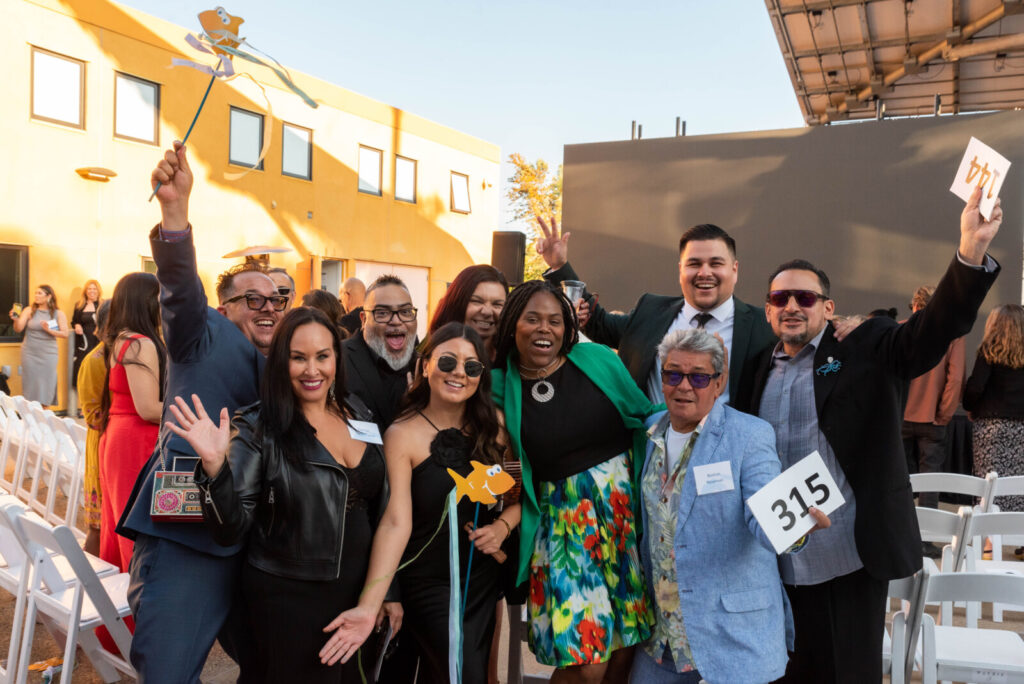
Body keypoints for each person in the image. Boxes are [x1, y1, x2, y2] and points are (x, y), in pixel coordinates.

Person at [737, 185, 1001, 683]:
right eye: (780, 297)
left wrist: (970, 252)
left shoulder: (865, 344)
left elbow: (930, 333)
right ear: (768, 309)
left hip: (847, 556)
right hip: (774, 559)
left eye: (806, 296)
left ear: (827, 306)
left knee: (847, 674)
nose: (792, 305)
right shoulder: (755, 369)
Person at [116, 141, 286, 682]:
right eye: (252, 298)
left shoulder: (287, 362)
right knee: (168, 670)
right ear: (224, 306)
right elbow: (179, 289)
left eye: (277, 299)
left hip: (255, 539)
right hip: (188, 532)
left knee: (269, 664)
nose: (268, 307)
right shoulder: (200, 333)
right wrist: (175, 212)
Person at [169, 307, 405, 682]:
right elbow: (230, 529)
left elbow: (382, 512)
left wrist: (385, 589)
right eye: (298, 358)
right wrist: (214, 467)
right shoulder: (256, 428)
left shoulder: (357, 411)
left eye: (322, 356)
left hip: (359, 596)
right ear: (281, 362)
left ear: (336, 358)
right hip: (289, 606)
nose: (312, 370)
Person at [633, 328, 829, 683]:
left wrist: (795, 532)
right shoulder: (650, 433)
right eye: (673, 374)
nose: (684, 386)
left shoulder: (749, 435)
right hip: (662, 638)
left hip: (730, 635)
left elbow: (764, 513)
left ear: (719, 383)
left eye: (699, 377)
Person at [491, 279, 653, 684]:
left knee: (624, 647)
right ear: (513, 325)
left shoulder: (598, 359)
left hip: (622, 521)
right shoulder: (496, 386)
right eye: (532, 319)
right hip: (563, 530)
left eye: (555, 321)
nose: (545, 329)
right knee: (585, 659)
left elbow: (648, 417)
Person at [385, 321, 520, 683]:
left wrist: (502, 527)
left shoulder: (497, 426)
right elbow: (393, 521)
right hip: (426, 584)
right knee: (458, 671)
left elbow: (520, 496)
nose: (460, 372)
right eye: (448, 362)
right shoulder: (401, 434)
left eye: (472, 366)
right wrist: (388, 590)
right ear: (425, 364)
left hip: (480, 582)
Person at [535, 218, 775, 406]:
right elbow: (599, 323)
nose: (704, 273)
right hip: (651, 456)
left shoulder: (764, 328)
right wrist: (559, 267)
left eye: (716, 263)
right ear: (680, 270)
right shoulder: (650, 310)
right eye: (694, 264)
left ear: (734, 270)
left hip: (726, 460)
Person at [98, 273, 166, 572]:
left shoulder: (123, 339)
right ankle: (139, 614)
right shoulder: (140, 343)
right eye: (160, 297)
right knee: (136, 533)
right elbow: (149, 408)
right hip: (135, 440)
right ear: (146, 301)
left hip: (120, 436)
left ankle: (122, 615)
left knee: (121, 525)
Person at [902, 285, 966, 514]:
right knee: (931, 480)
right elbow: (956, 378)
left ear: (916, 306)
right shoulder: (953, 336)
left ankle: (902, 536)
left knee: (900, 479)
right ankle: (927, 537)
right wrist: (945, 413)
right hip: (932, 419)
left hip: (900, 417)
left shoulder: (900, 330)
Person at [965, 305, 1024, 512]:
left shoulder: (988, 351)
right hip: (1022, 429)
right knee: (1019, 485)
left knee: (989, 484)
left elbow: (976, 387)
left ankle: (989, 540)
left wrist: (970, 407)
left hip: (991, 428)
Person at [342, 275, 417, 431]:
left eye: (405, 311)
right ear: (363, 319)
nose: (396, 321)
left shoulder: (425, 368)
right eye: (382, 313)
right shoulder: (338, 359)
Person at [77, 299, 111, 556]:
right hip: (101, 442)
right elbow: (92, 416)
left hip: (112, 441)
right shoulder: (95, 360)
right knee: (97, 526)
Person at [430, 265, 508, 362]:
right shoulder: (428, 352)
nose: (487, 312)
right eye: (477, 301)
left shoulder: (513, 361)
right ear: (456, 302)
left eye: (497, 304)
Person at [8, 285, 69, 405]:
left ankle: (43, 413)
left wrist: (49, 330)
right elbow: (19, 329)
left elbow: (65, 333)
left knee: (47, 384)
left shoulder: (58, 313)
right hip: (29, 353)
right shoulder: (28, 310)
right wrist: (15, 319)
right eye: (36, 293)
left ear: (49, 296)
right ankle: (30, 413)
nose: (36, 295)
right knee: (30, 383)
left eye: (40, 293)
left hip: (48, 354)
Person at [72, 279, 103, 391]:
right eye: (89, 289)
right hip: (83, 343)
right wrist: (77, 325)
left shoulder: (102, 304)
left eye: (94, 289)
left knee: (96, 369)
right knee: (81, 369)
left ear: (98, 291)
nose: (91, 291)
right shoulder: (79, 305)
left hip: (98, 341)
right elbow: (74, 321)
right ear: (86, 291)